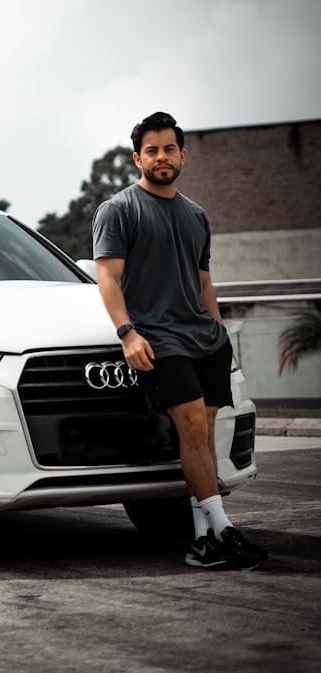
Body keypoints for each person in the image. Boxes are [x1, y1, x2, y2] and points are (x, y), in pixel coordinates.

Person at [92, 111, 269, 570]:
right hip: (159, 340)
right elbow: (107, 279)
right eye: (151, 150)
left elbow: (204, 280)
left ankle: (202, 541)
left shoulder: (196, 215)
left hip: (205, 340)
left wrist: (219, 331)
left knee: (203, 436)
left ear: (182, 155)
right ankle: (224, 528)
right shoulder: (118, 210)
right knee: (191, 427)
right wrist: (127, 333)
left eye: (169, 148)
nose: (161, 156)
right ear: (137, 159)